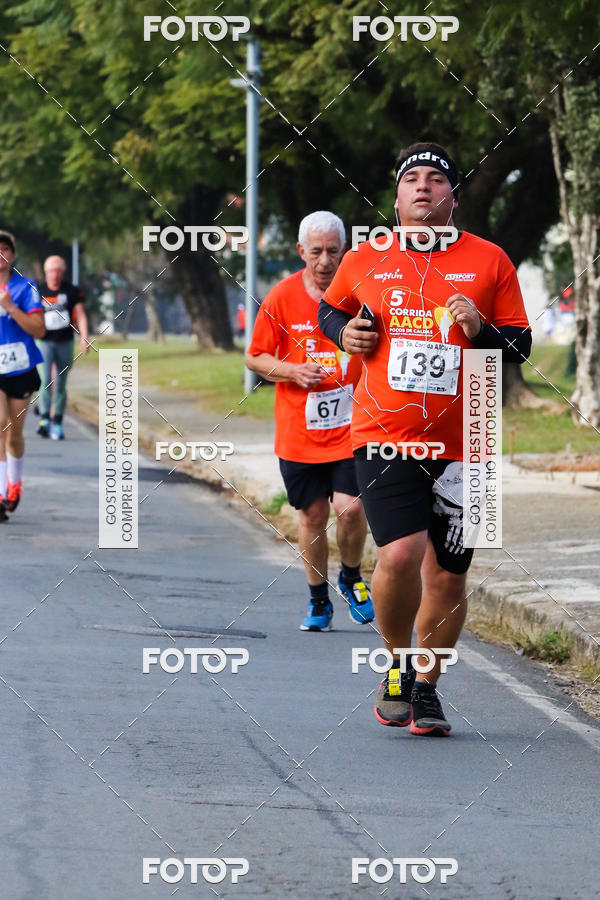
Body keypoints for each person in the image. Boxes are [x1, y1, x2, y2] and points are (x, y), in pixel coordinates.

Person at [318, 143, 532, 735]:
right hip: (385, 434)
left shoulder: (489, 261)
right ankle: (395, 665)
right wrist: (348, 334)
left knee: (450, 576)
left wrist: (480, 330)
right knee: (402, 555)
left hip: (471, 443)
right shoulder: (366, 257)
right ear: (395, 198)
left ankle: (428, 689)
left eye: (435, 179)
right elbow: (329, 313)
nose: (422, 187)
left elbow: (519, 346)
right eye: (411, 178)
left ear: (452, 198)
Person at [246, 211, 375, 631]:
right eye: (315, 251)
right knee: (313, 517)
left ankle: (352, 576)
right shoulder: (281, 297)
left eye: (332, 251)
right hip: (299, 434)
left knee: (352, 509)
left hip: (352, 429)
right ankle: (318, 600)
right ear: (301, 251)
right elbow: (255, 356)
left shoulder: (360, 293)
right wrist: (292, 371)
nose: (324, 261)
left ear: (344, 252)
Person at [0, 231, 45, 521]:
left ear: (12, 255)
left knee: (14, 433)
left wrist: (11, 308)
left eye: (5, 249)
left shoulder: (25, 287)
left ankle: (14, 484)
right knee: (1, 424)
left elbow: (39, 329)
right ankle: (1, 494)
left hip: (21, 368)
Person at [37, 255, 89, 439]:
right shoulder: (38, 290)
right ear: (46, 272)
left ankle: (57, 421)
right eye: (52, 270)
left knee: (61, 382)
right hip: (43, 341)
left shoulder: (72, 291)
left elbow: (81, 315)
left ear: (63, 272)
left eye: (58, 270)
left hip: (65, 341)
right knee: (45, 381)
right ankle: (44, 418)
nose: (55, 274)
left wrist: (84, 337)